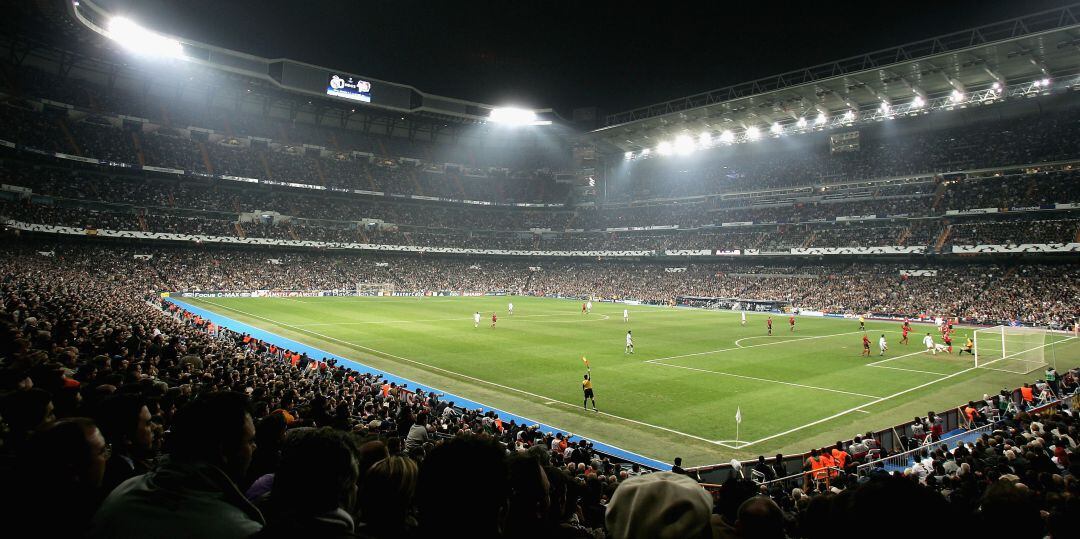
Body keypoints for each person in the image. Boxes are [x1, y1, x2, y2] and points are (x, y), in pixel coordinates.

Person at [89, 392, 264, 539]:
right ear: (224, 450)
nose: (254, 447)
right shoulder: (241, 530)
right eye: (250, 441)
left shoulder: (123, 490)